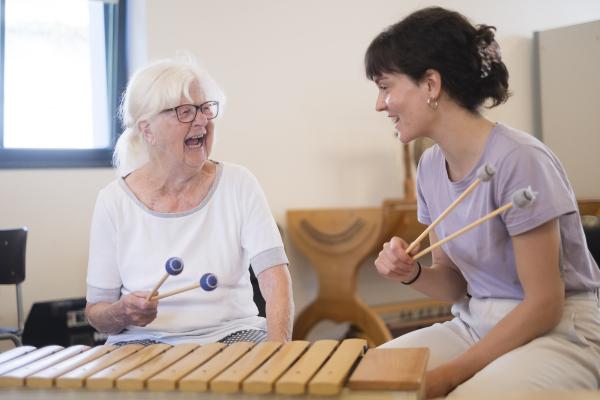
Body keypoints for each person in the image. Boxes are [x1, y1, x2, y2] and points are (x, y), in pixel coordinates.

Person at [366, 7, 600, 399]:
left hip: (560, 331)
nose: (379, 104)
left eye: (385, 86)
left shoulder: (520, 160)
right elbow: (456, 284)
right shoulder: (430, 166)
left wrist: (453, 374)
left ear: (430, 84)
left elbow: (545, 304)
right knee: (371, 382)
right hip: (476, 322)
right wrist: (412, 273)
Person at [85, 57, 294, 346]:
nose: (202, 121)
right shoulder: (113, 201)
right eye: (185, 111)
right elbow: (97, 313)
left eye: (205, 108)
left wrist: (278, 353)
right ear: (147, 130)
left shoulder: (239, 183)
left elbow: (276, 281)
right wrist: (122, 312)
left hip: (235, 332)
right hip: (141, 339)